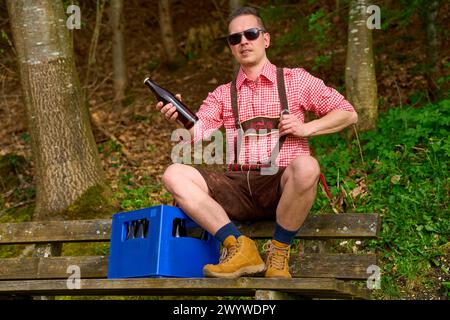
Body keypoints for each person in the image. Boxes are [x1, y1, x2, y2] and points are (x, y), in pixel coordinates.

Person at [155, 6, 358, 279]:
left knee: (308, 166)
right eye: (234, 38)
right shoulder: (222, 95)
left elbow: (347, 113)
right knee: (175, 173)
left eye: (250, 33)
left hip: (279, 187)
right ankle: (239, 246)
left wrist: (306, 128)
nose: (243, 42)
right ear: (231, 47)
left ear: (266, 39)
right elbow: (199, 132)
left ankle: (278, 253)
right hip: (236, 186)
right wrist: (180, 118)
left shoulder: (295, 80)